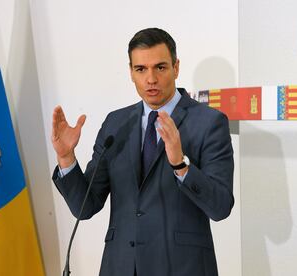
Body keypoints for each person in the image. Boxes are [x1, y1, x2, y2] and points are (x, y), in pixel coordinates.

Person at [51, 27, 234, 276]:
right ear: (131, 72)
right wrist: (66, 158)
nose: (151, 79)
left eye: (160, 67)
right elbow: (85, 207)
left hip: (182, 267)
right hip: (121, 266)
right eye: (141, 69)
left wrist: (181, 166)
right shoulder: (116, 123)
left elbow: (221, 207)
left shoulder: (209, 122)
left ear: (176, 67)